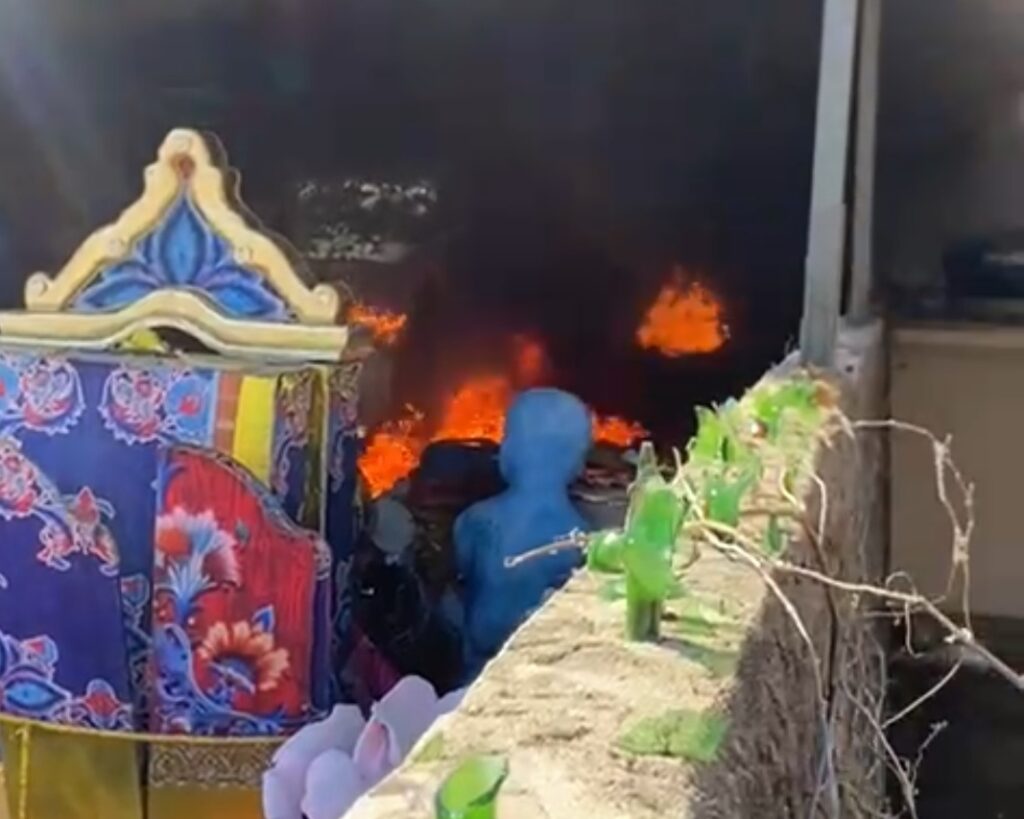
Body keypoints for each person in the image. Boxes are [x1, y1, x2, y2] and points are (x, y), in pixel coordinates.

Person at [454, 388, 591, 678]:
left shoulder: (476, 521)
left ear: (514, 449)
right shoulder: (581, 535)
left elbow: (461, 573)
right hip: (541, 670)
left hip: (478, 669)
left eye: (506, 437)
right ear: (577, 463)